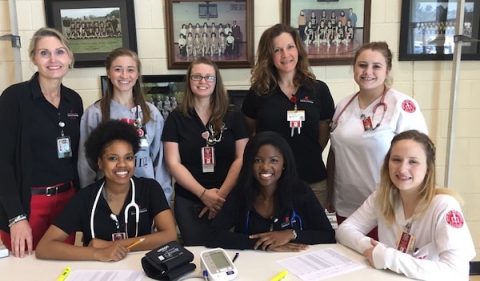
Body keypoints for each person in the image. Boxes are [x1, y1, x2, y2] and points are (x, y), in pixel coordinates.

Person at [336, 130, 476, 280]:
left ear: (428, 168)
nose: (402, 169)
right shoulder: (382, 196)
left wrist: (389, 258)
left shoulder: (444, 205)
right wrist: (371, 249)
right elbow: (344, 230)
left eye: (413, 162)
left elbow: (457, 273)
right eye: (396, 159)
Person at [36, 120, 177, 261]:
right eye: (112, 158)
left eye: (128, 157)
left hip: (140, 269)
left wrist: (112, 245)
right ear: (100, 162)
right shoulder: (85, 198)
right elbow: (44, 247)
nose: (122, 165)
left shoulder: (150, 189)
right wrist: (99, 253)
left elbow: (170, 235)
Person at [326, 42, 428, 237]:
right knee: (349, 260)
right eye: (362, 65)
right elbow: (335, 152)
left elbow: (422, 158)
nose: (368, 72)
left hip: (388, 205)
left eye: (376, 66)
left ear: (387, 70)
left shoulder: (402, 106)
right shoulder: (343, 106)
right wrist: (330, 193)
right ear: (354, 68)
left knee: (380, 261)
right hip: (346, 204)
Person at [0, 27, 83, 257]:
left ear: (69, 58)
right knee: (26, 269)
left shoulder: (73, 101)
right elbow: (2, 162)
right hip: (29, 203)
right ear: (34, 58)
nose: (53, 59)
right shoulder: (14, 98)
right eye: (44, 53)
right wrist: (16, 217)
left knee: (59, 266)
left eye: (60, 52)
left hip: (66, 201)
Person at [242, 23, 335, 206]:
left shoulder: (318, 90)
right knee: (274, 233)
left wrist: (303, 154)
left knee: (312, 233)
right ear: (269, 56)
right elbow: (251, 134)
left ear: (298, 49)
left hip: (312, 179)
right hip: (270, 184)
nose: (285, 55)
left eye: (290, 47)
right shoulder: (258, 92)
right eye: (277, 50)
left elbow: (323, 135)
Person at [162, 57, 248, 246]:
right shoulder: (176, 118)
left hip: (228, 200)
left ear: (216, 81)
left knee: (230, 253)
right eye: (197, 77)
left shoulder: (233, 114)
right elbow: (173, 163)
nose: (203, 81)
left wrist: (220, 197)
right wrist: (203, 194)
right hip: (189, 200)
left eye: (209, 77)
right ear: (189, 80)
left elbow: (242, 158)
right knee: (195, 253)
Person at [206, 131, 335, 251]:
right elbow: (212, 236)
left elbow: (327, 235)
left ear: (284, 163)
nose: (265, 167)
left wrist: (291, 234)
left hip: (294, 264)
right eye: (258, 160)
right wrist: (263, 244)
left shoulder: (301, 191)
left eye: (273, 160)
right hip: (252, 266)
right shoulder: (241, 192)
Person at [77, 48, 173, 205]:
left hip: (146, 196)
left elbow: (160, 161)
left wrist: (163, 201)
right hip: (107, 197)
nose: (124, 76)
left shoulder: (151, 113)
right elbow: (86, 163)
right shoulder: (95, 113)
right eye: (117, 69)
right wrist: (90, 199)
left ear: (137, 74)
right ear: (108, 73)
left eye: (130, 70)